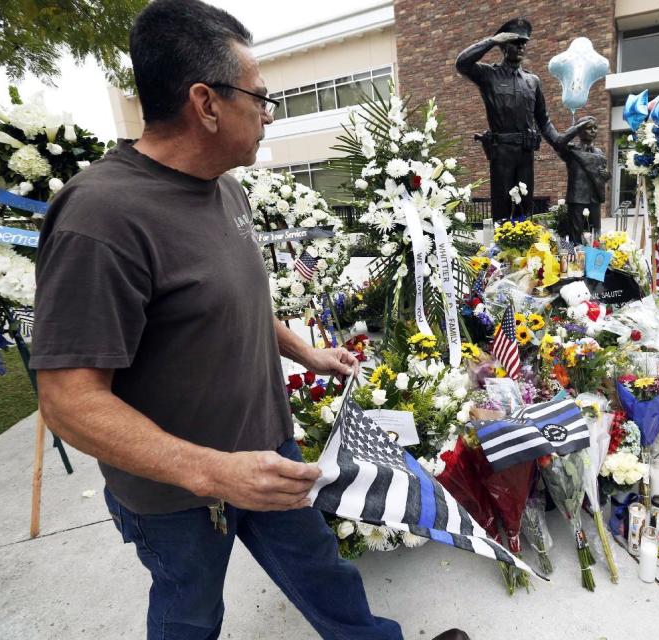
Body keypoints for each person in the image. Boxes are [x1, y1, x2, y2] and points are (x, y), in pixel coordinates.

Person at [30, 2, 467, 639]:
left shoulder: (224, 186)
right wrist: (214, 472)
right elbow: (68, 401)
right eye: (259, 97)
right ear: (206, 104)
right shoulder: (100, 220)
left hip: (270, 454)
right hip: (180, 498)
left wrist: (305, 353)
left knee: (326, 577)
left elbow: (233, 302)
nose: (268, 112)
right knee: (190, 614)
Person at [456, 17, 592, 220]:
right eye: (515, 43)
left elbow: (543, 121)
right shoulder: (489, 75)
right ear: (503, 46)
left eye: (524, 43)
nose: (521, 47)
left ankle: (526, 248)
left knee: (524, 208)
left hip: (526, 153)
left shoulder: (532, 81)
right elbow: (462, 64)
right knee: (502, 209)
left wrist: (560, 141)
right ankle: (503, 250)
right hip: (501, 153)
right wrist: (491, 40)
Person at [554, 117, 608, 243]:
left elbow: (602, 176)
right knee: (575, 233)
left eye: (595, 128)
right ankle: (574, 258)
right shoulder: (571, 150)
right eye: (589, 128)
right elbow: (558, 143)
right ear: (580, 130)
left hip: (594, 197)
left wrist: (605, 175)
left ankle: (596, 258)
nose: (593, 131)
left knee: (596, 232)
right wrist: (576, 128)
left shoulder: (599, 152)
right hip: (577, 198)